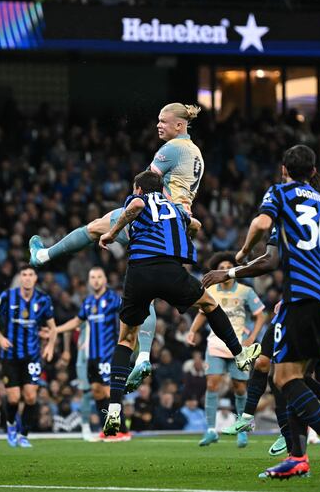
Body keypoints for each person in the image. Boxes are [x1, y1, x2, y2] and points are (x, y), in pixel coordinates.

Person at [29, 103, 206, 393]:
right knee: (147, 292)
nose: (158, 126)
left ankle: (42, 256)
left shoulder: (172, 149)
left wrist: (120, 225)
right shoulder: (196, 153)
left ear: (179, 126)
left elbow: (146, 186)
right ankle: (145, 356)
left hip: (156, 219)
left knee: (96, 227)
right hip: (178, 229)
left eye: (163, 121)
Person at [231, 145, 320, 481]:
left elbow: (262, 224)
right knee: (299, 377)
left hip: (301, 299)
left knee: (282, 377)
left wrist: (244, 250)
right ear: (314, 170)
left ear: (283, 170)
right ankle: (299, 457)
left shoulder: (281, 192)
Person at [96, 170, 261, 436]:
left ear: (138, 188)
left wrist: (112, 234)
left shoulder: (138, 199)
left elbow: (136, 205)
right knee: (209, 305)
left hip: (139, 270)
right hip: (172, 270)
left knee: (125, 339)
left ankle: (114, 408)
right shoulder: (173, 207)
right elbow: (196, 226)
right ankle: (239, 354)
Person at [187, 252, 265, 449]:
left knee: (240, 387)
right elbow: (203, 312)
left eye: (227, 267)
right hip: (215, 344)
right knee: (212, 385)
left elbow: (260, 315)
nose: (223, 270)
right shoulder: (211, 290)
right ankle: (211, 430)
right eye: (220, 267)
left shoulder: (246, 291)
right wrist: (192, 331)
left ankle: (242, 430)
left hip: (239, 346)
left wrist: (252, 337)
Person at [53, 267, 130, 441]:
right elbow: (77, 321)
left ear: (105, 280)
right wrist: (55, 330)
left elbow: (127, 317)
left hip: (108, 354)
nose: (96, 280)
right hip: (92, 355)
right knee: (96, 392)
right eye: (92, 277)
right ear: (89, 281)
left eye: (99, 277)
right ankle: (108, 430)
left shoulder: (113, 299)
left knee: (109, 392)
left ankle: (121, 430)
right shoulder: (88, 302)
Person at [0, 265, 57, 448]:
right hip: (9, 355)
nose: (27, 278)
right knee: (13, 398)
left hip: (32, 356)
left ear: (35, 279)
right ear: (20, 278)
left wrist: (49, 345)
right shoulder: (7, 296)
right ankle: (11, 426)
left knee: (31, 397)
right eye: (23, 274)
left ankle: (23, 435)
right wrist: (0, 337)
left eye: (30, 275)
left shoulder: (43, 300)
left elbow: (53, 327)